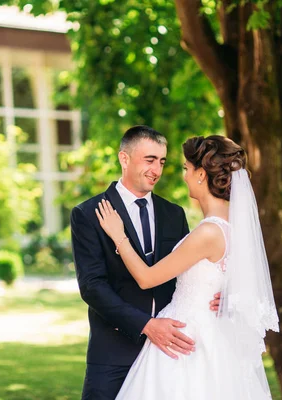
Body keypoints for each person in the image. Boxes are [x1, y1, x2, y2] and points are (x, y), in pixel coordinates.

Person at [96, 135, 279, 399]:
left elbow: (148, 278)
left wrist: (119, 235)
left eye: (186, 168)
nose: (184, 175)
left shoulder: (209, 232)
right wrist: (232, 297)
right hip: (214, 336)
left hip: (186, 341)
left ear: (201, 174)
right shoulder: (235, 226)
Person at [70, 126, 220, 400]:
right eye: (149, 160)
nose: (157, 170)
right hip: (113, 353)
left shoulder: (173, 213)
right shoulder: (88, 214)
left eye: (161, 162)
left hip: (170, 353)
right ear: (124, 159)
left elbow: (189, 271)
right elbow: (92, 287)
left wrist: (221, 295)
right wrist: (146, 325)